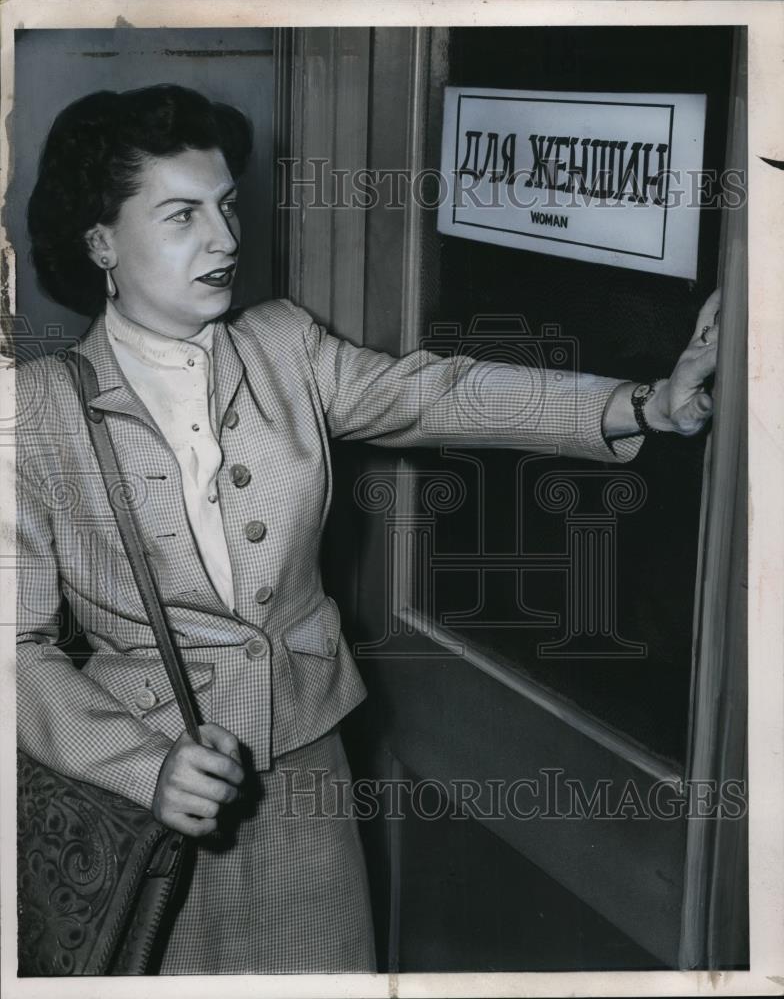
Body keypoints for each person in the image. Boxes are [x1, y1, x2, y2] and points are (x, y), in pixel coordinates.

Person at [15, 83, 720, 975]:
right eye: (182, 216)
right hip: (147, 793)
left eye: (227, 206)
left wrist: (644, 404)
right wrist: (138, 766)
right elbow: (15, 648)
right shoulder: (34, 412)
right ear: (101, 242)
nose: (225, 239)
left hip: (307, 775)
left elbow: (441, 394)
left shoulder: (284, 345)